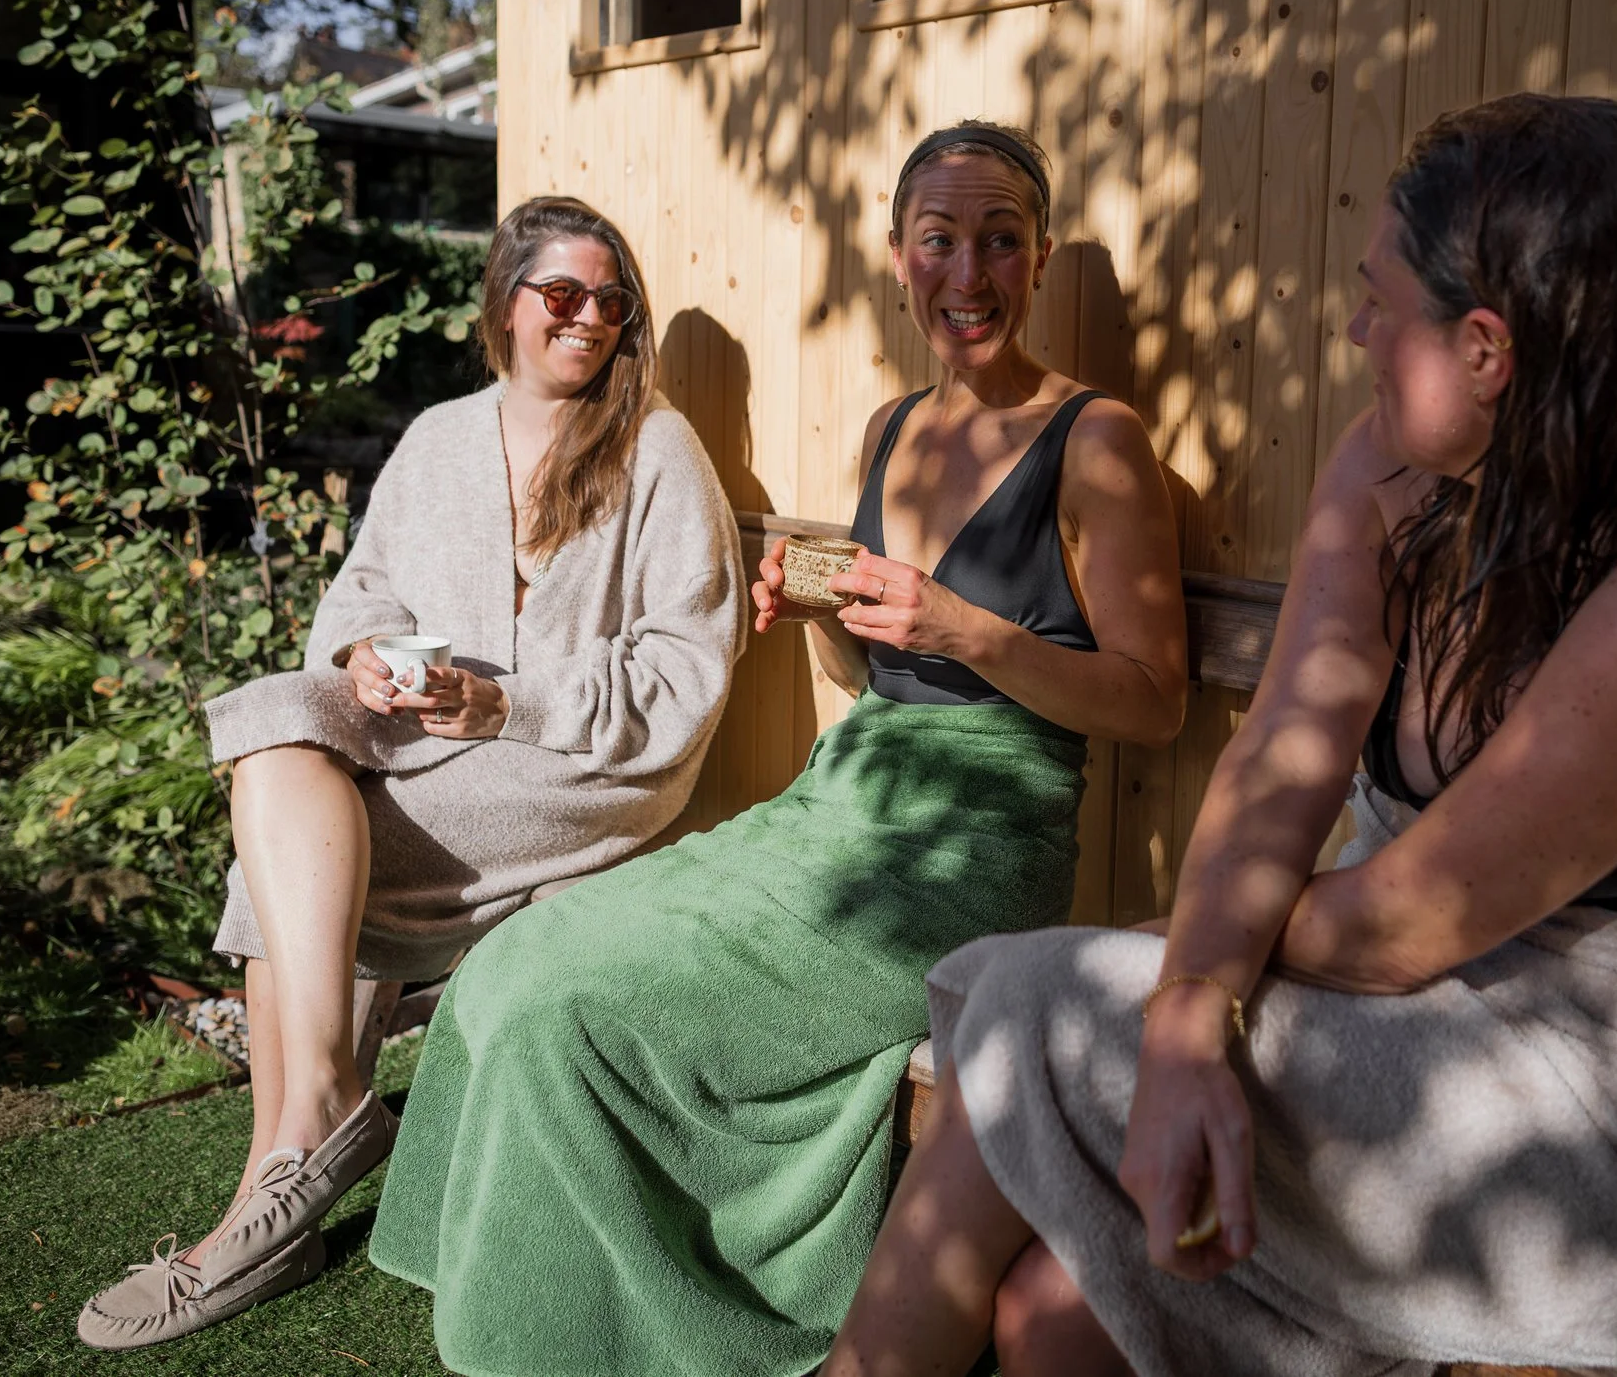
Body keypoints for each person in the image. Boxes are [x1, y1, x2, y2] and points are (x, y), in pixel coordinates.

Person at [825, 94, 1617, 1377]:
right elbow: (1278, 755)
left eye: (1381, 303)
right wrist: (1194, 988)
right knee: (1055, 1308)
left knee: (1026, 996)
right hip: (1431, 1011)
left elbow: (1397, 927)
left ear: (1486, 348)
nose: (1352, 328)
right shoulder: (1394, 472)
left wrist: (1179, 967)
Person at [365, 120, 1190, 1376]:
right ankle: (523, 1281)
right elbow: (868, 673)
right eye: (938, 240)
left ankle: (627, 1317)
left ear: (1039, 258)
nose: (967, 272)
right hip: (843, 802)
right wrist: (814, 621)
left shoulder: (1096, 439)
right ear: (899, 258)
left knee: (567, 1013)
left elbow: (1153, 703)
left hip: (972, 845)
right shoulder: (890, 428)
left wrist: (970, 628)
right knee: (518, 959)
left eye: (1000, 241)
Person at [77, 196, 746, 1348]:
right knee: (271, 725)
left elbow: (687, 672)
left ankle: (267, 1197)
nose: (588, 319)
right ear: (505, 305)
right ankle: (320, 1115)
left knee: (279, 879)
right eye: (562, 295)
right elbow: (361, 595)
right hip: (433, 738)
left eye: (610, 300)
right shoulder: (439, 435)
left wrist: (509, 701)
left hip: (581, 764)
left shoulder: (658, 451)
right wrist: (366, 656)